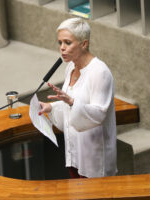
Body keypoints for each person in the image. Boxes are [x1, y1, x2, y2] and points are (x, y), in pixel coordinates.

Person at [39, 17, 117, 178]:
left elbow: (99, 113)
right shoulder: (70, 68)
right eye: (60, 43)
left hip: (94, 156)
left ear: (84, 43)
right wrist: (51, 107)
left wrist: (72, 102)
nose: (62, 48)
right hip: (74, 152)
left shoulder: (99, 72)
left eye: (67, 43)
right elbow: (70, 104)